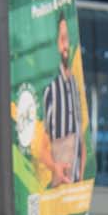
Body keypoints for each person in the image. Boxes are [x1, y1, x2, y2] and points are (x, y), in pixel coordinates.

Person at [42, 16, 82, 187]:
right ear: (57, 43)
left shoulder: (75, 84)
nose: (66, 45)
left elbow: (81, 135)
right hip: (58, 192)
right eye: (62, 39)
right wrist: (54, 167)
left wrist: (81, 175)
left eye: (68, 39)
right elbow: (40, 147)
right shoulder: (50, 89)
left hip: (75, 190)